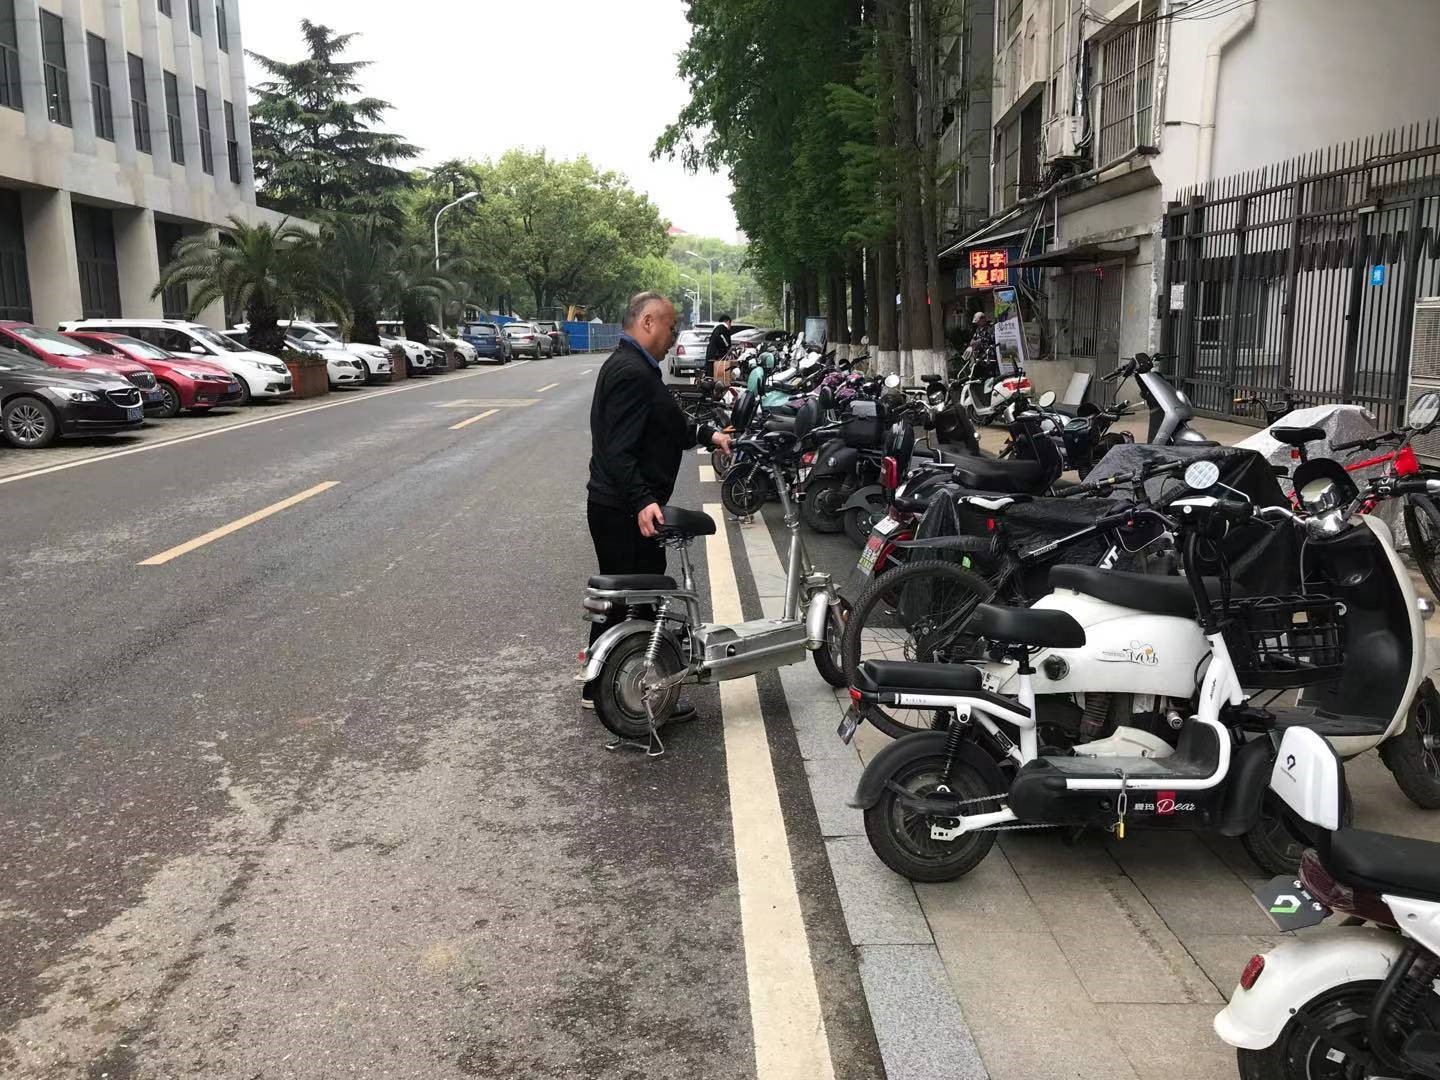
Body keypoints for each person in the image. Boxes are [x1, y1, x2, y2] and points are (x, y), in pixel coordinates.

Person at [584, 292, 732, 713]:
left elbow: (667, 422)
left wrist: (709, 435)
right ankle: (630, 697)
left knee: (630, 599)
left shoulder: (637, 367)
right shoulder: (631, 372)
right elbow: (617, 450)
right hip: (624, 509)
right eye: (670, 326)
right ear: (648, 322)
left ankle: (617, 690)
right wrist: (642, 500)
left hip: (621, 506)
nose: (674, 336)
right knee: (630, 600)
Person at [705, 313, 735, 380]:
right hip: (716, 354)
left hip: (712, 353)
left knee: (711, 372)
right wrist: (728, 347)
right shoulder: (722, 328)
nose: (730, 326)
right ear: (728, 321)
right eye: (730, 324)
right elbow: (722, 338)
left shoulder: (717, 328)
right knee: (717, 372)